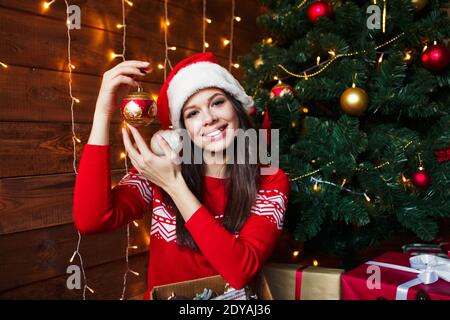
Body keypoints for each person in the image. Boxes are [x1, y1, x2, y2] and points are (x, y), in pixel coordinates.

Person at [73, 52, 290, 300]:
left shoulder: (270, 179)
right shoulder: (161, 169)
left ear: (237, 107)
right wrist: (102, 112)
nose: (209, 119)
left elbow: (239, 271)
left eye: (217, 102)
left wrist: (175, 186)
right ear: (182, 130)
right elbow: (91, 220)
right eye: (192, 113)